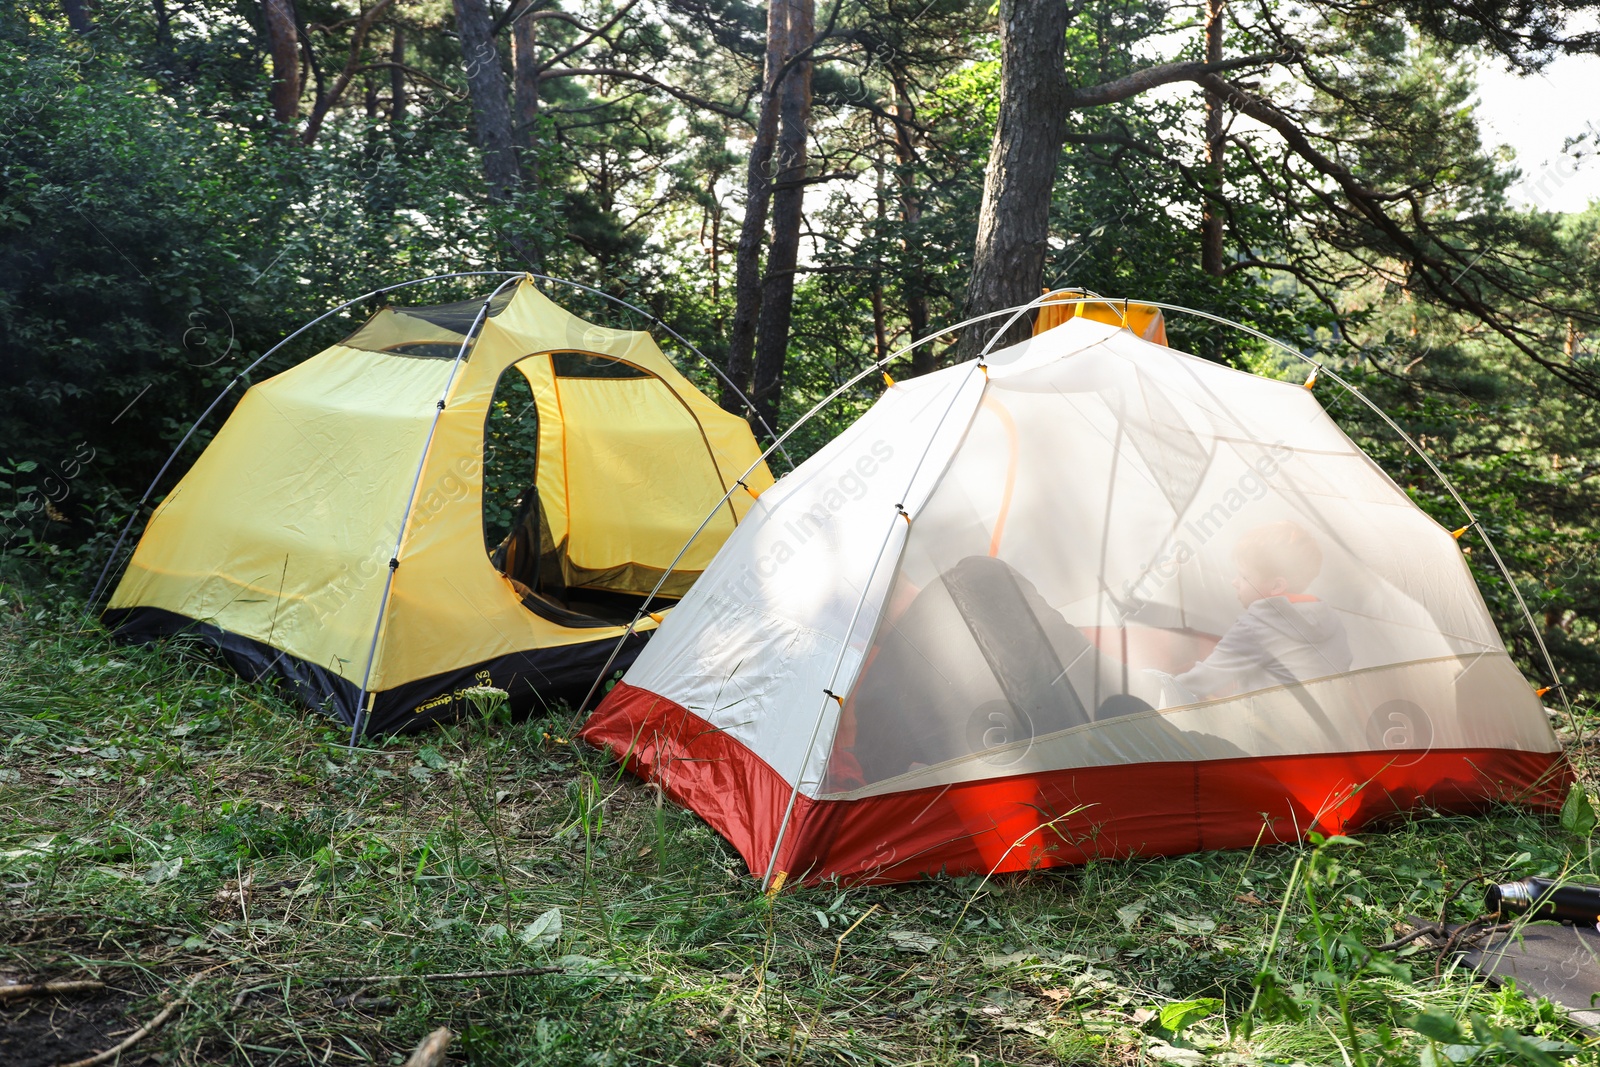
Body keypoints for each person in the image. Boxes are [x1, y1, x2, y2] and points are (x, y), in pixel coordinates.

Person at [1171, 520, 1351, 699]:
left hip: (1264, 725)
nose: (1235, 582)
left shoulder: (1257, 624)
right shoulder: (1331, 620)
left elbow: (1202, 681)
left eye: (1244, 576)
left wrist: (1158, 686)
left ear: (1276, 585)